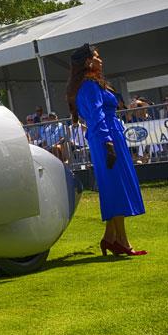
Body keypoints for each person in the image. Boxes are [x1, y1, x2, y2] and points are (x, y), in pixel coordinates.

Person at [67, 43, 146, 257]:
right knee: (115, 187)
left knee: (116, 185)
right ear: (87, 61)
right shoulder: (88, 86)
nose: (101, 60)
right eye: (97, 57)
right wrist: (108, 142)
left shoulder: (93, 84)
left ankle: (110, 239)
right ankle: (122, 242)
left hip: (109, 136)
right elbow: (96, 116)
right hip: (105, 137)